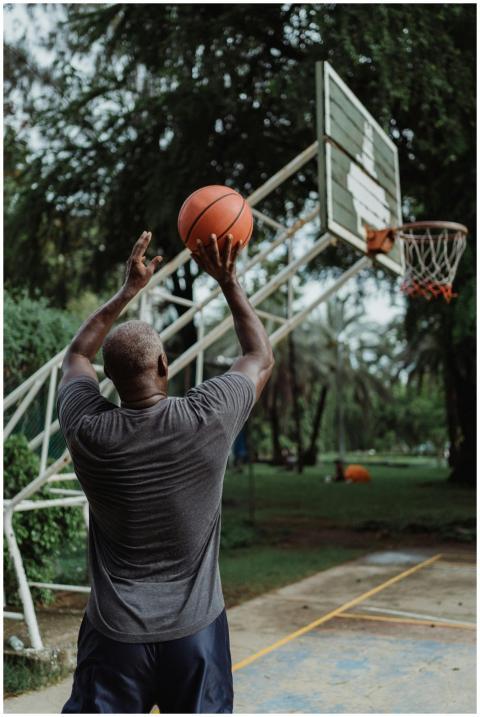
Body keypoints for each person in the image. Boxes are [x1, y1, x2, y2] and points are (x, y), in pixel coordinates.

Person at [57, 230, 274, 714]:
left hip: (114, 637)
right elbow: (259, 356)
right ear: (163, 363)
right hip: (195, 636)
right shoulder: (208, 418)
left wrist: (126, 291)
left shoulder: (88, 430)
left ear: (108, 379)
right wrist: (228, 281)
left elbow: (75, 357)